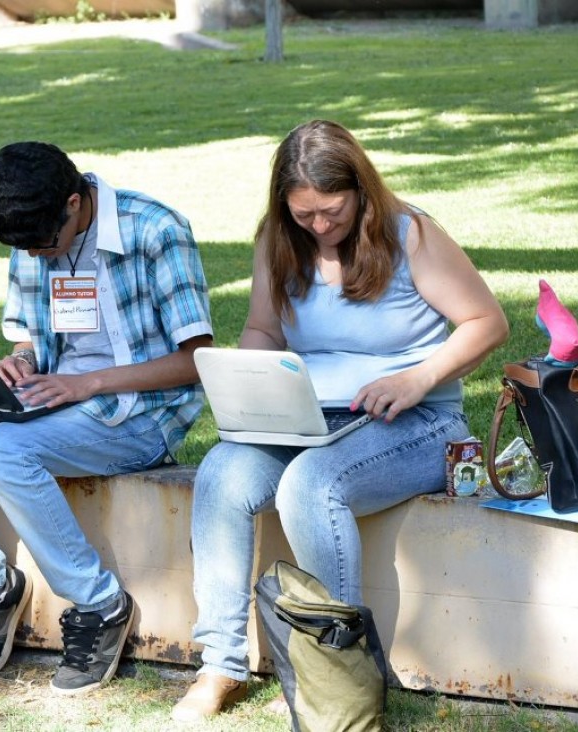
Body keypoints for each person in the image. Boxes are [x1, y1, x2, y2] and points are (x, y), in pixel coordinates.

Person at [171, 120, 509, 721]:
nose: (320, 226)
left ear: (360, 190)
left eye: (332, 211)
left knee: (311, 483)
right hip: (306, 413)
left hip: (418, 418)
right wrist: (249, 379)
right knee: (222, 472)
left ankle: (337, 673)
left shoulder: (411, 234)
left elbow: (487, 322)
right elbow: (264, 330)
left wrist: (417, 379)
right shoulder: (279, 241)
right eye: (305, 216)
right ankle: (220, 665)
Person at [0, 141, 214, 695]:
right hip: (56, 400)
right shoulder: (33, 230)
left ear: (74, 202)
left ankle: (100, 603)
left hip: (142, 414)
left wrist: (87, 382)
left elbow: (195, 362)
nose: (39, 257)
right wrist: (18, 364)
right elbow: (28, 336)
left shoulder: (155, 230)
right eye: (27, 249)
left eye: (46, 246)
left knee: (0, 449)